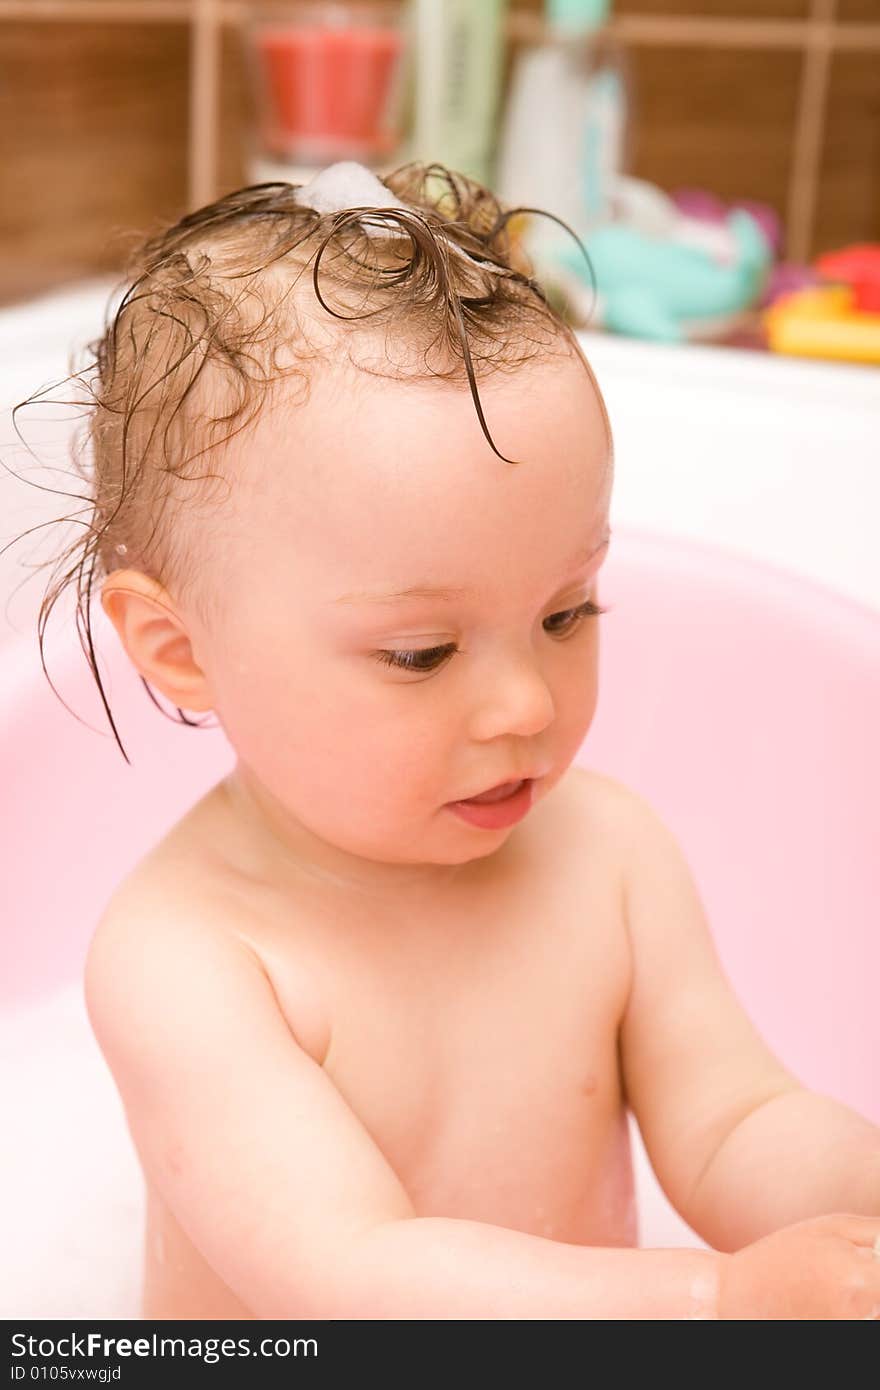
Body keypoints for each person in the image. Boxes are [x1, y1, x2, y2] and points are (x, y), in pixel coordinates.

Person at [29, 161, 880, 1318]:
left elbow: (736, 1123)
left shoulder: (610, 857)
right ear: (179, 648)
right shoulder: (190, 958)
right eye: (423, 652)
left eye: (565, 613)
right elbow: (355, 1272)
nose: (526, 704)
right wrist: (713, 1302)